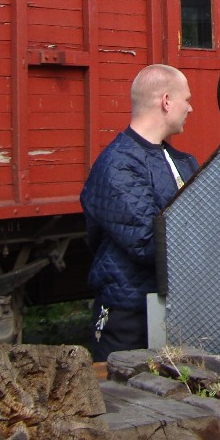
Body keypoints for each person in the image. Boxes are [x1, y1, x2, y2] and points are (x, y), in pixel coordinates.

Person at [81, 64, 198, 361]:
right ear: (166, 101)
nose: (191, 108)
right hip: (130, 317)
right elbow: (148, 242)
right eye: (186, 99)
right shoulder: (117, 165)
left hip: (171, 308)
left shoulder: (180, 160)